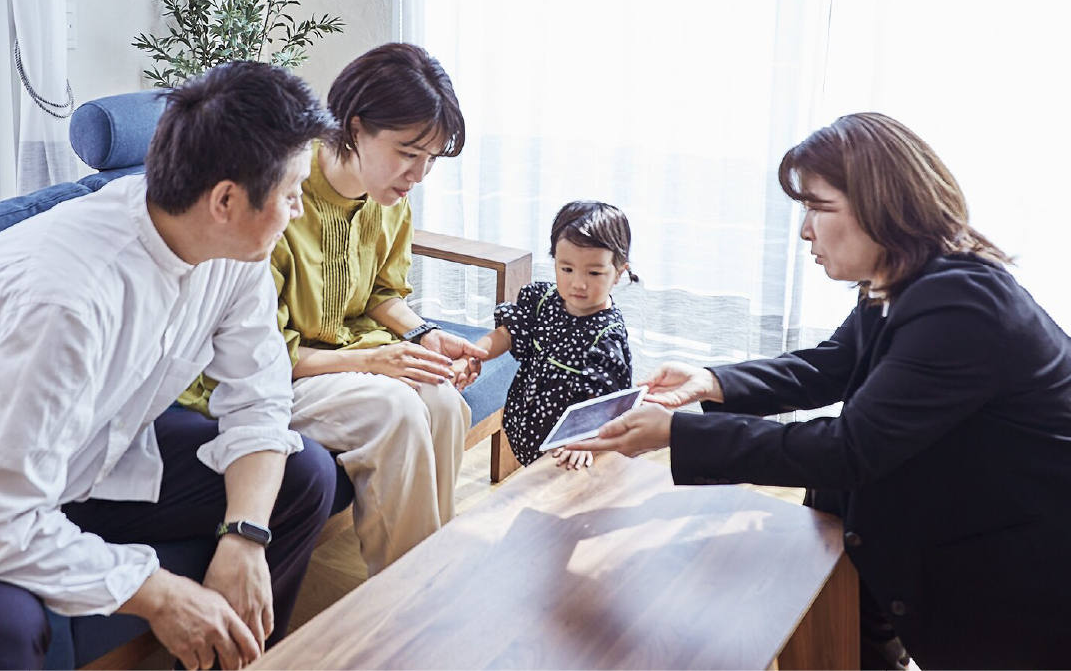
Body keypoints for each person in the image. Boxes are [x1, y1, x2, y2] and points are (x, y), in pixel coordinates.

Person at [570, 112, 1071, 669]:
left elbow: (849, 449)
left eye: (816, 207)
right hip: (926, 523)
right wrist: (712, 381)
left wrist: (678, 434)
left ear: (880, 205)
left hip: (1019, 566)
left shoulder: (961, 304)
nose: (805, 230)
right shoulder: (908, 279)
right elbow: (833, 363)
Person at [0, 61, 338, 671]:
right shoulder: (68, 303)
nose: (298, 208)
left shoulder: (232, 251)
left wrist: (245, 535)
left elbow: (260, 397)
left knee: (304, 474)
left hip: (81, 460)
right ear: (226, 200)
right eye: (292, 193)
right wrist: (159, 592)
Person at [182, 43, 487, 577]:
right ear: (355, 127)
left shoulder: (390, 200)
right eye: (408, 153)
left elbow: (382, 294)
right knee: (394, 411)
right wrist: (372, 362)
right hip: (270, 374)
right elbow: (260, 355)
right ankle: (405, 598)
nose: (418, 174)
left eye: (431, 159)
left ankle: (431, 576)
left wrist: (423, 335)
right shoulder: (281, 196)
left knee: (443, 401)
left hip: (346, 355)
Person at [454, 201, 636, 470]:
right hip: (526, 428)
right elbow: (507, 334)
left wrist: (584, 441)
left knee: (562, 489)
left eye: (594, 273)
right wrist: (472, 356)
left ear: (619, 273)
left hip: (570, 447)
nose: (578, 283)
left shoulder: (606, 335)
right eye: (567, 269)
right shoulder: (542, 300)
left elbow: (604, 403)